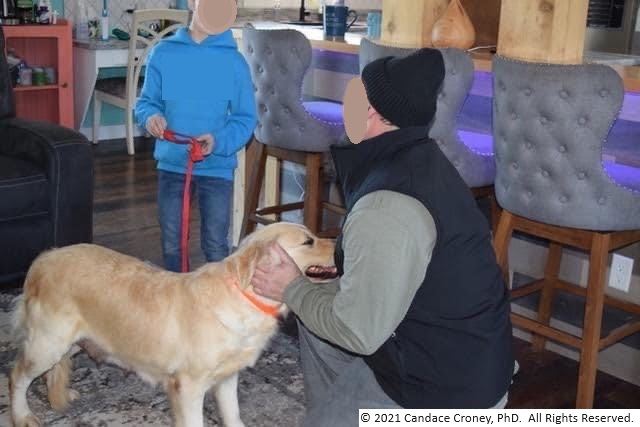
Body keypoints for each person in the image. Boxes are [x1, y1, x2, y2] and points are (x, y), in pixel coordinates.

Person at [250, 48, 515, 424]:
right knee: (316, 307)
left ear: (372, 113)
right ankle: (339, 407)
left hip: (444, 395)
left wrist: (290, 286)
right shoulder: (419, 160)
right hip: (459, 361)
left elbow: (358, 332)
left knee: (311, 302)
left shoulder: (387, 205)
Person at [135, 0, 257, 271]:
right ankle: (177, 303)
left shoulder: (235, 63)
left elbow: (245, 119)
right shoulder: (163, 53)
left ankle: (217, 305)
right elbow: (145, 103)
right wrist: (151, 117)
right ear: (193, 2)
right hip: (172, 165)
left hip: (218, 169)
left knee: (215, 244)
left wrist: (218, 141)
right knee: (172, 243)